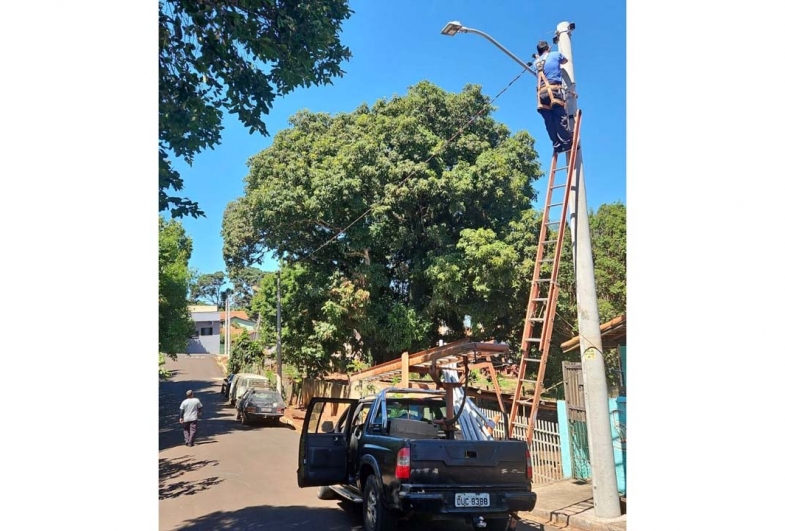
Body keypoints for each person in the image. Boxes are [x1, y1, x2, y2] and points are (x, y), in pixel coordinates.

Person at [533, 40, 573, 153]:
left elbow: (539, 68)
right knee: (560, 117)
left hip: (541, 95)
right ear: (548, 48)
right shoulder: (555, 54)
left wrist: (538, 58)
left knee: (549, 121)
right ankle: (567, 143)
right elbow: (565, 61)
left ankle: (556, 145)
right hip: (554, 90)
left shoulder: (536, 63)